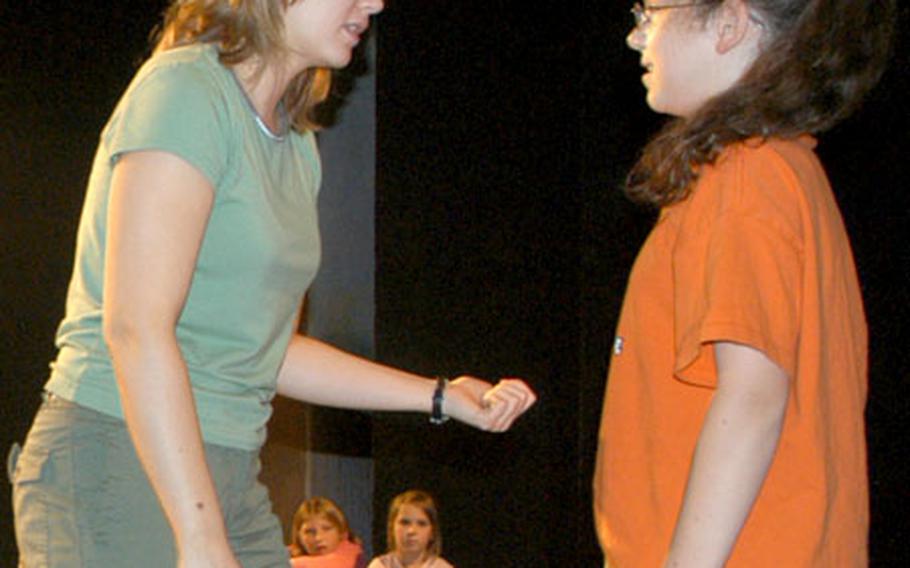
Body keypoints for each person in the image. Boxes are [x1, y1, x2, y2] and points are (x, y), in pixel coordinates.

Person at [8, 1, 537, 567]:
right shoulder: (186, 92)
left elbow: (266, 348)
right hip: (119, 458)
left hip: (228, 471)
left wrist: (438, 395)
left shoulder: (296, 143)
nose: (376, 3)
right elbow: (136, 328)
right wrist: (200, 535)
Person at [593, 1, 894, 567]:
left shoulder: (747, 174)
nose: (636, 38)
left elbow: (753, 395)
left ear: (729, 24)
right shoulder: (784, 172)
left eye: (650, 13)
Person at [367, 490, 453, 568]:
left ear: (432, 532)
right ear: (391, 527)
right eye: (405, 523)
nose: (411, 531)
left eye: (421, 524)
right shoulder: (379, 565)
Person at [288, 497, 365, 568]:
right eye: (309, 531)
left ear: (341, 532)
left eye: (327, 529)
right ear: (299, 536)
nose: (318, 538)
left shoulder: (352, 554)